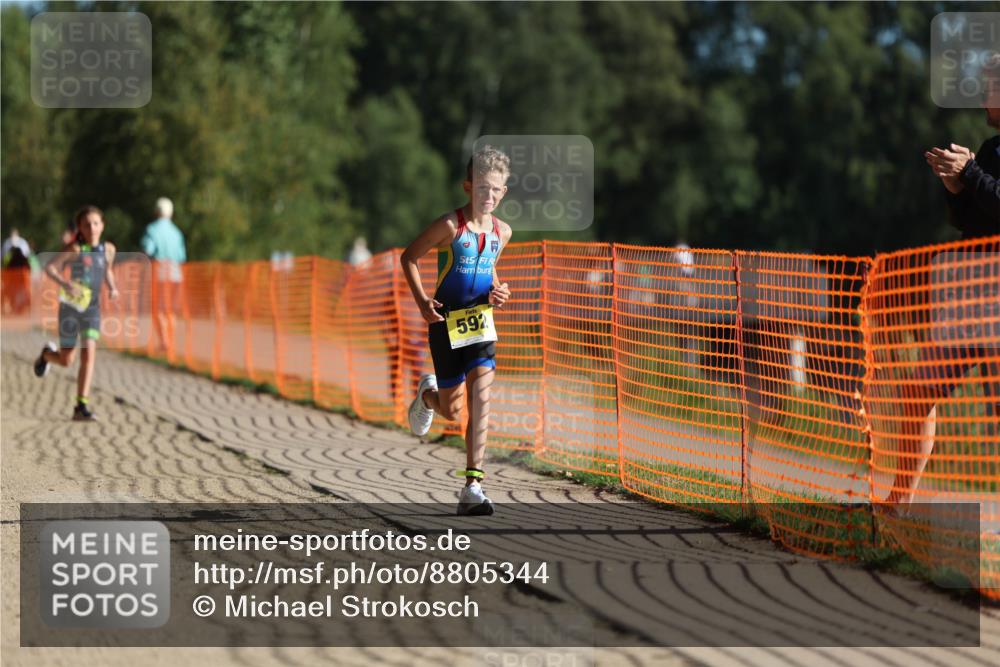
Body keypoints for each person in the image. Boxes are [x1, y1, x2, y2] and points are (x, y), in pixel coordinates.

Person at [885, 57, 1000, 506]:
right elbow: (973, 222)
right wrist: (956, 190)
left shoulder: (984, 160)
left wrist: (971, 175)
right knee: (917, 391)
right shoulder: (991, 149)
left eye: (991, 85)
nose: (982, 94)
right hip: (978, 298)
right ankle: (897, 507)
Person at [400, 146, 513, 516]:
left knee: (481, 402)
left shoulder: (503, 232)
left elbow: (489, 270)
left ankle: (472, 487)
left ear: (504, 192)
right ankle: (428, 397)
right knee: (452, 411)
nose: (489, 196)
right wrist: (421, 302)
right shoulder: (451, 226)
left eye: (496, 190)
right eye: (483, 188)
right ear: (468, 186)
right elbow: (410, 257)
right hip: (445, 325)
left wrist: (500, 291)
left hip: (481, 325)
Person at [33, 205, 120, 421]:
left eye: (96, 223)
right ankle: (46, 355)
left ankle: (81, 406)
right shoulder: (75, 249)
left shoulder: (109, 249)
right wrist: (66, 283)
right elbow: (50, 268)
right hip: (71, 308)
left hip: (92, 309)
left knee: (89, 352)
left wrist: (113, 287)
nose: (92, 228)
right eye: (86, 224)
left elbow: (107, 269)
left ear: (103, 225)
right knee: (66, 360)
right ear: (80, 228)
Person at [141, 197, 187, 355]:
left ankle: (164, 342)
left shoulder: (152, 229)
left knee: (158, 308)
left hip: (159, 273)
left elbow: (148, 250)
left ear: (156, 211)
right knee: (171, 310)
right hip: (176, 274)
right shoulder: (177, 232)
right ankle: (170, 342)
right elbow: (182, 256)